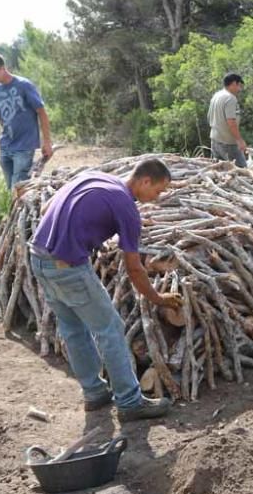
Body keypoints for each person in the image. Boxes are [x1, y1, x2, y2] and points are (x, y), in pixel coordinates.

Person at [29, 158, 180, 422]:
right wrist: (157, 298)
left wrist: (81, 234)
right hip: (68, 267)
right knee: (110, 328)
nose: (158, 197)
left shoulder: (94, 177)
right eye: (158, 190)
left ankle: (94, 393)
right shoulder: (127, 208)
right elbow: (134, 268)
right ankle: (130, 402)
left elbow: (51, 208)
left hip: (39, 258)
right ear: (145, 181)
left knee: (73, 329)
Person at [0, 52, 53, 189]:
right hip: (6, 145)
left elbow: (41, 112)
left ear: (2, 68)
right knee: (10, 189)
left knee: (18, 189)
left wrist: (47, 142)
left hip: (24, 146)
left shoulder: (24, 85)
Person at [209, 73, 248, 168]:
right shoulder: (230, 98)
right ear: (234, 83)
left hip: (215, 140)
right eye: (239, 86)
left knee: (221, 171)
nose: (239, 90)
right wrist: (239, 140)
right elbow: (231, 122)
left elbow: (209, 116)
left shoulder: (216, 95)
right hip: (228, 144)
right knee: (242, 171)